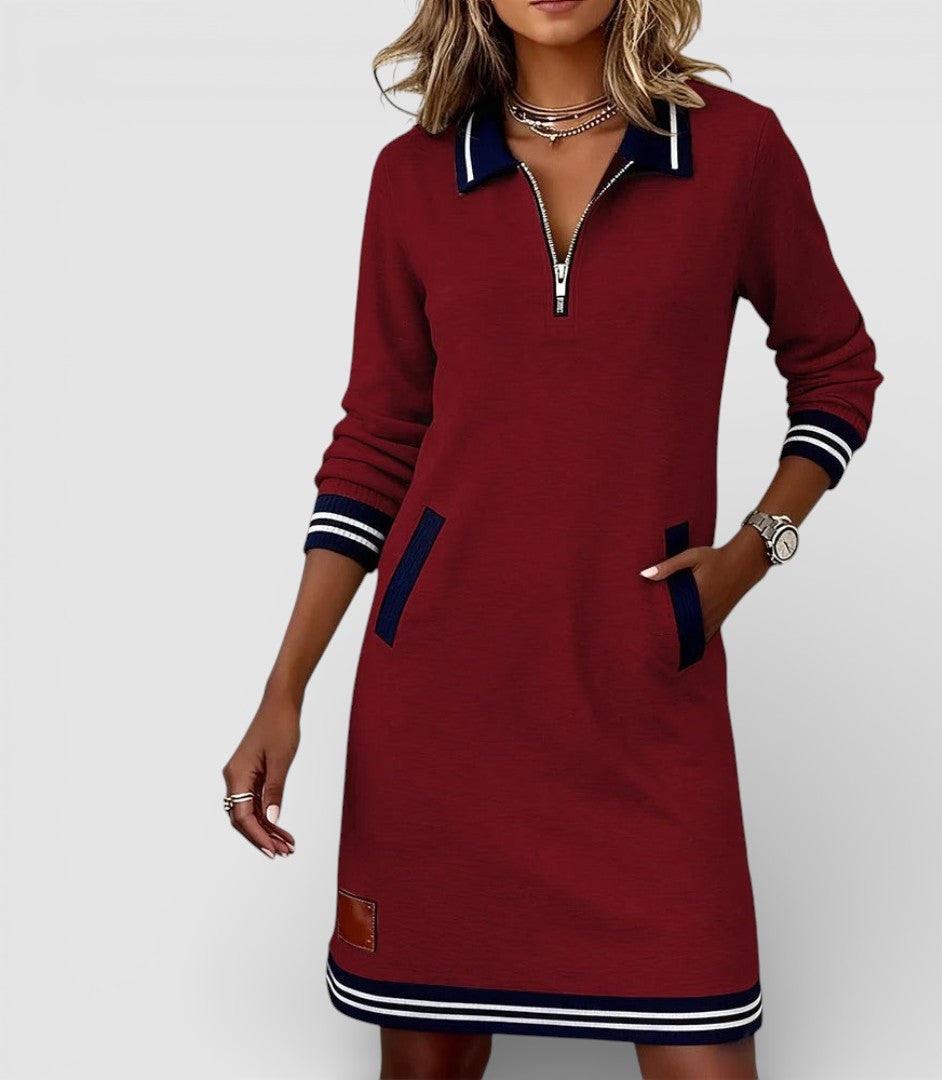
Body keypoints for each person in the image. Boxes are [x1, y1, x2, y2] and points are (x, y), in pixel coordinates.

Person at [222, 0, 883, 1076]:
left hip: (642, 687)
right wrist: (284, 689)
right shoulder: (414, 176)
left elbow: (837, 369)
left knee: (705, 1044)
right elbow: (378, 440)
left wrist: (750, 555)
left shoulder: (735, 150)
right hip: (438, 714)